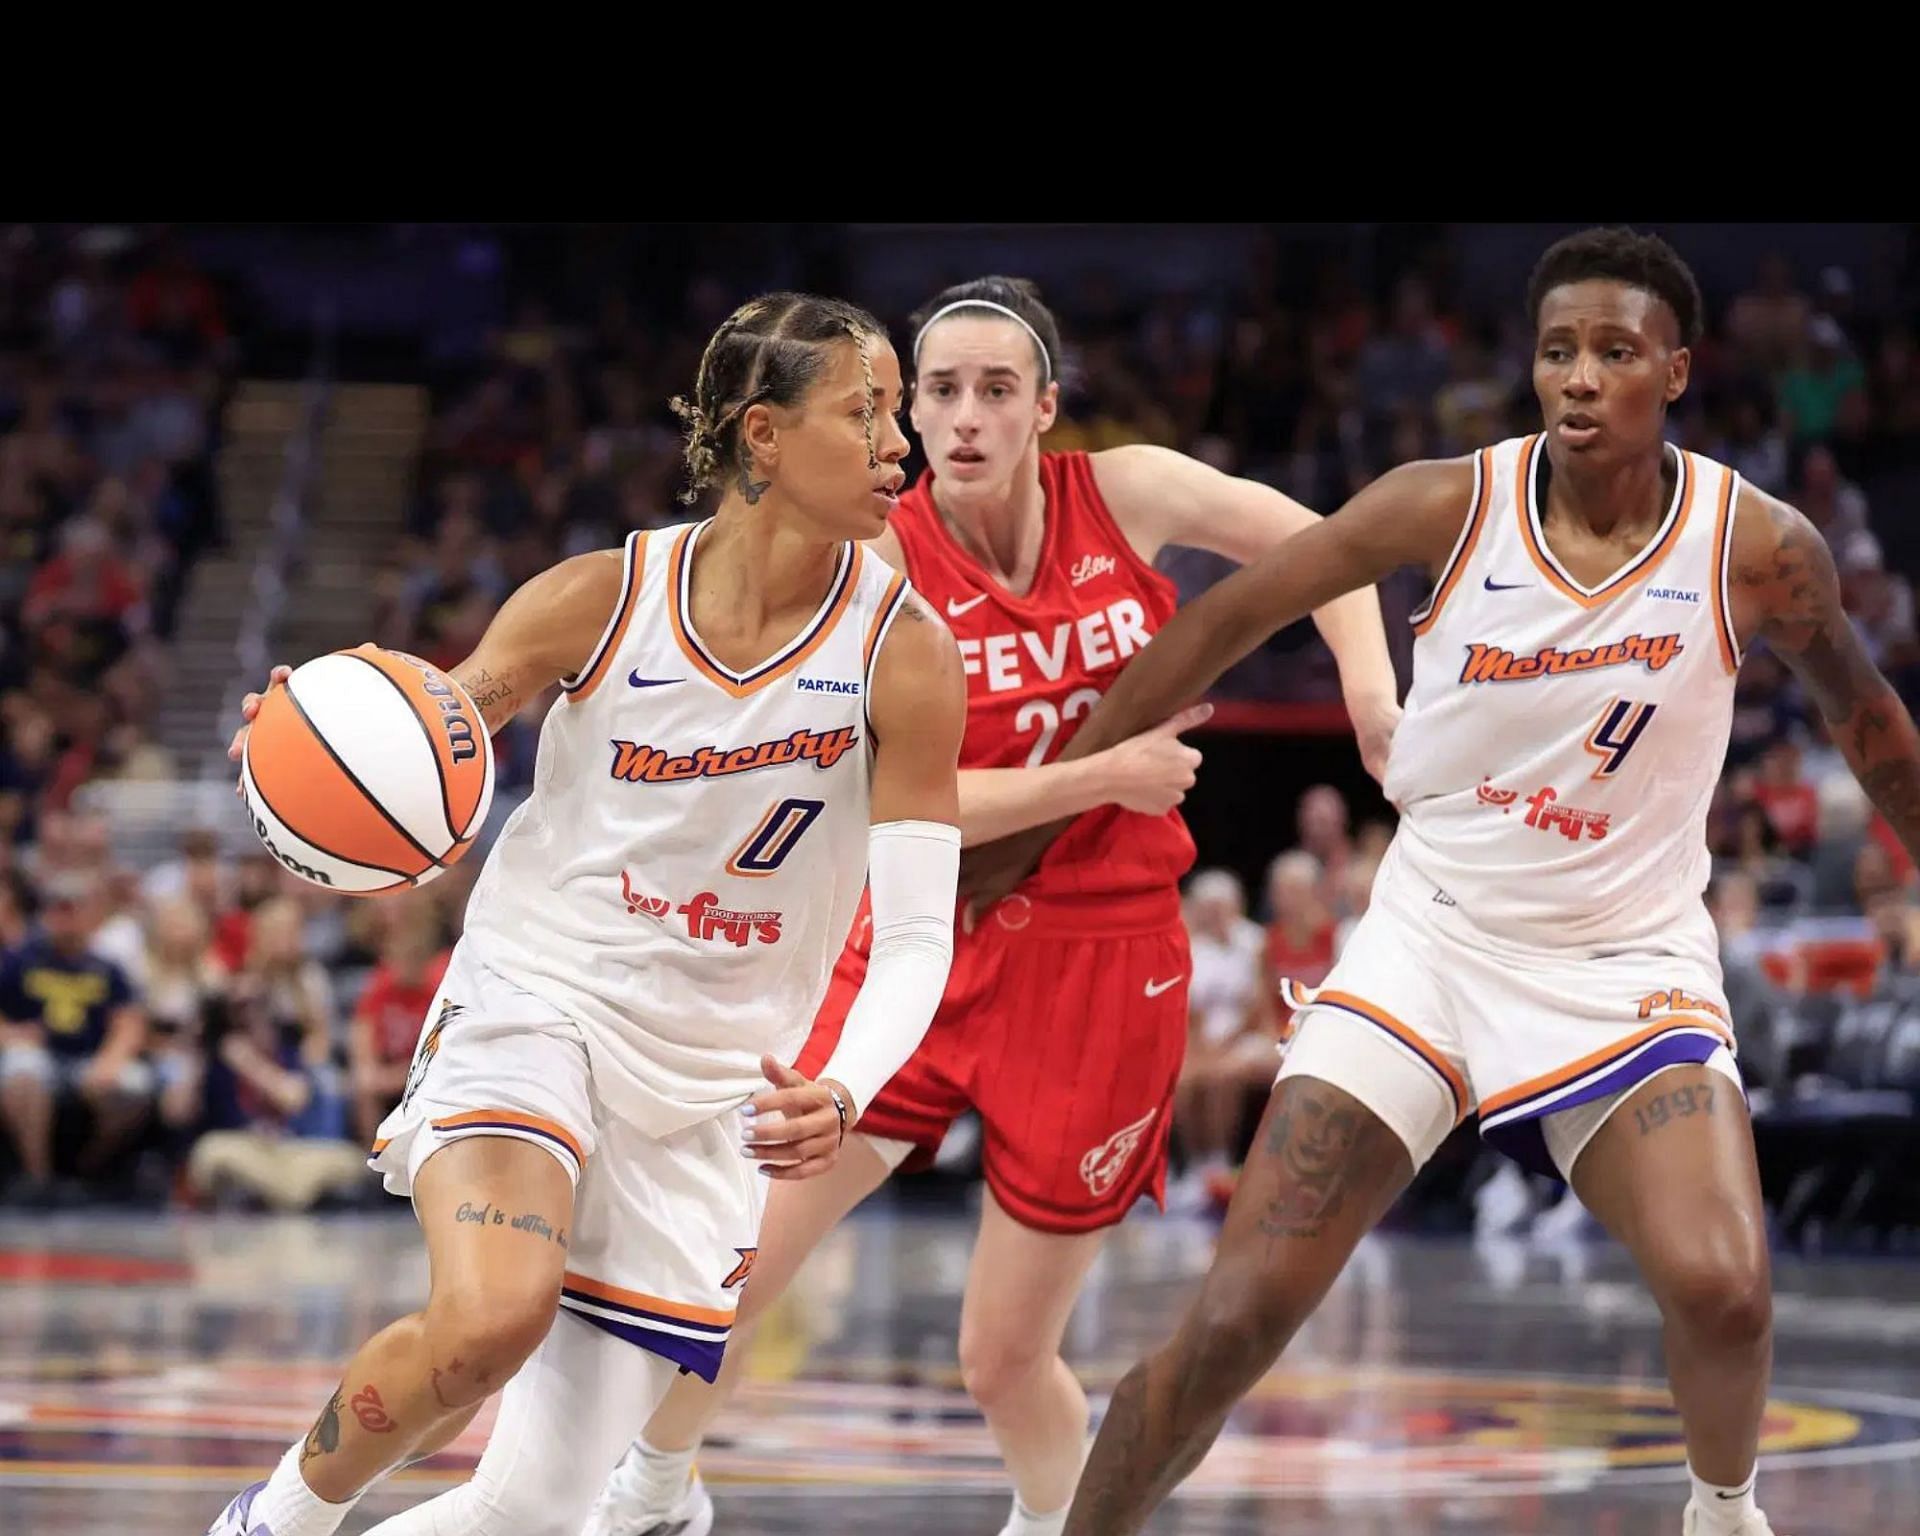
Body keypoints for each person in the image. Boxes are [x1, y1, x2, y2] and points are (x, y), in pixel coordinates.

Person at [966, 228, 1920, 1536]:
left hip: (1623, 956)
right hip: (1433, 941)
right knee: (1235, 1320)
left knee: (1725, 1291)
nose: (1580, 378)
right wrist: (1055, 798)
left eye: (1616, 352)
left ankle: (1723, 1510)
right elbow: (1226, 620)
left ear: (1680, 372)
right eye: (1557, 351)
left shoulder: (1759, 548)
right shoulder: (1448, 502)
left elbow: (1873, 725)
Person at [587, 275, 1399, 1536]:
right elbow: (884, 800)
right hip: (915, 938)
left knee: (1003, 1363)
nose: (963, 416)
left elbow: (1337, 548)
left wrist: (1371, 697)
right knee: (728, 1267)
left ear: (1044, 409)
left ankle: (1056, 1523)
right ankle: (647, 1498)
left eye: (994, 390)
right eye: (938, 392)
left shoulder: (1126, 493)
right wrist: (1102, 776)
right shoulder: (868, 557)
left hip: (1101, 965)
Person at [205, 291, 967, 1536]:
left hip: (711, 1086)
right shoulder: (597, 599)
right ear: (761, 436)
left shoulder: (906, 656)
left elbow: (922, 936)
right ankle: (268, 1524)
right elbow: (431, 732)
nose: (903, 445)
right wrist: (317, 737)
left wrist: (844, 1087)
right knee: (492, 1314)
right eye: (867, 412)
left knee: (538, 1509)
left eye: (897, 413)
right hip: (540, 998)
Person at [0, 868, 150, 1203]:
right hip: (38, 1058)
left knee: (133, 1085)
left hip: (89, 1059)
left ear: (91, 913)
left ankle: (87, 1172)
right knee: (23, 1071)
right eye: (58, 908)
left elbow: (129, 1023)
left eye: (74, 908)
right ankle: (38, 1177)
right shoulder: (18, 959)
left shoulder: (108, 967)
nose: (65, 916)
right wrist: (10, 1034)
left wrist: (110, 1060)